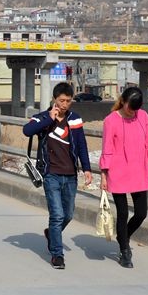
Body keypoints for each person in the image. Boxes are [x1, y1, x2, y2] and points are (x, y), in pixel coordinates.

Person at [22, 82, 93, 269]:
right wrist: (49, 118)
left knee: (68, 214)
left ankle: (51, 234)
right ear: (54, 99)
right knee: (57, 215)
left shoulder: (74, 119)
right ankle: (57, 254)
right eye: (61, 100)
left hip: (70, 175)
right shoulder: (42, 117)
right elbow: (27, 131)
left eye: (68, 101)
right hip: (51, 174)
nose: (65, 104)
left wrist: (86, 169)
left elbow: (82, 144)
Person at [98, 86, 148, 269]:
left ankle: (123, 236)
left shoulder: (143, 117)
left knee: (141, 213)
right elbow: (107, 149)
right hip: (118, 172)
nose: (133, 112)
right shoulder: (111, 120)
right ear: (123, 102)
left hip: (139, 170)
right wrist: (103, 175)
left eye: (136, 109)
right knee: (123, 213)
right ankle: (124, 251)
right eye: (130, 108)